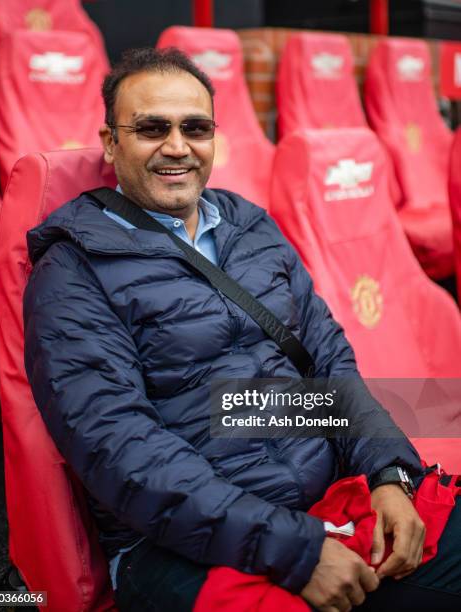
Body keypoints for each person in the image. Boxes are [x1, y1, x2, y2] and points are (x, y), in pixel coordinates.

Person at [23, 48, 460, 612]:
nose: (177, 146)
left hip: (322, 498)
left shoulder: (249, 225)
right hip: (180, 543)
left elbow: (328, 362)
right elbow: (120, 448)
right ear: (111, 142)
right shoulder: (73, 269)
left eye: (195, 127)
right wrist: (295, 551)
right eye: (152, 128)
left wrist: (387, 472)